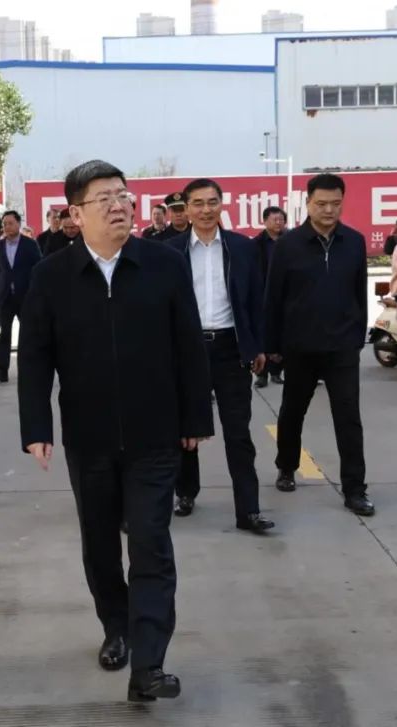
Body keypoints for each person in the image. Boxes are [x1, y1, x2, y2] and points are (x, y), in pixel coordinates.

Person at [18, 160, 213, 703]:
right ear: (76, 214)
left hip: (156, 435)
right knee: (101, 545)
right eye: (103, 198)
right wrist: (36, 426)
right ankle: (116, 626)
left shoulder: (163, 264)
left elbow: (188, 344)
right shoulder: (52, 276)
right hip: (90, 436)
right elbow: (35, 357)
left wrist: (196, 419)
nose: (118, 205)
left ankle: (148, 664)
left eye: (123, 195)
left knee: (151, 544)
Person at [163, 179, 274, 533]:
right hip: (187, 349)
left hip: (230, 349)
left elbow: (256, 299)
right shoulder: (170, 251)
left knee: (238, 433)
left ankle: (248, 510)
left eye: (212, 202)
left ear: (222, 205)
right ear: (186, 209)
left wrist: (256, 345)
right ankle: (186, 492)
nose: (206, 210)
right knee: (186, 429)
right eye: (198, 203)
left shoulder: (242, 248)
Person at [264, 174, 374, 517]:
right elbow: (274, 296)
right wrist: (272, 345)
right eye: (321, 204)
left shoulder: (354, 242)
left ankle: (355, 489)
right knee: (292, 411)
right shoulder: (288, 245)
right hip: (300, 346)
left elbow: (359, 293)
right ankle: (286, 466)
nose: (329, 210)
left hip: (342, 348)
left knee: (348, 418)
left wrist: (357, 336)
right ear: (308, 203)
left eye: (336, 204)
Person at [0, 210, 41, 383]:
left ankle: (29, 369)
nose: (7, 227)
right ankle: (1, 370)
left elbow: (38, 269)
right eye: (4, 224)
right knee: (4, 333)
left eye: (10, 223)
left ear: (18, 224)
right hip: (5, 297)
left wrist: (36, 293)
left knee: (28, 334)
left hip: (25, 296)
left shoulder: (30, 245)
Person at [253, 205, 287, 389]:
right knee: (263, 334)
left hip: (285, 294)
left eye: (281, 219)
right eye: (274, 219)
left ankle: (276, 371)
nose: (278, 222)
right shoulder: (256, 243)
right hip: (262, 294)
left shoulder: (290, 240)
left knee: (281, 333)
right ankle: (262, 374)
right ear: (265, 221)